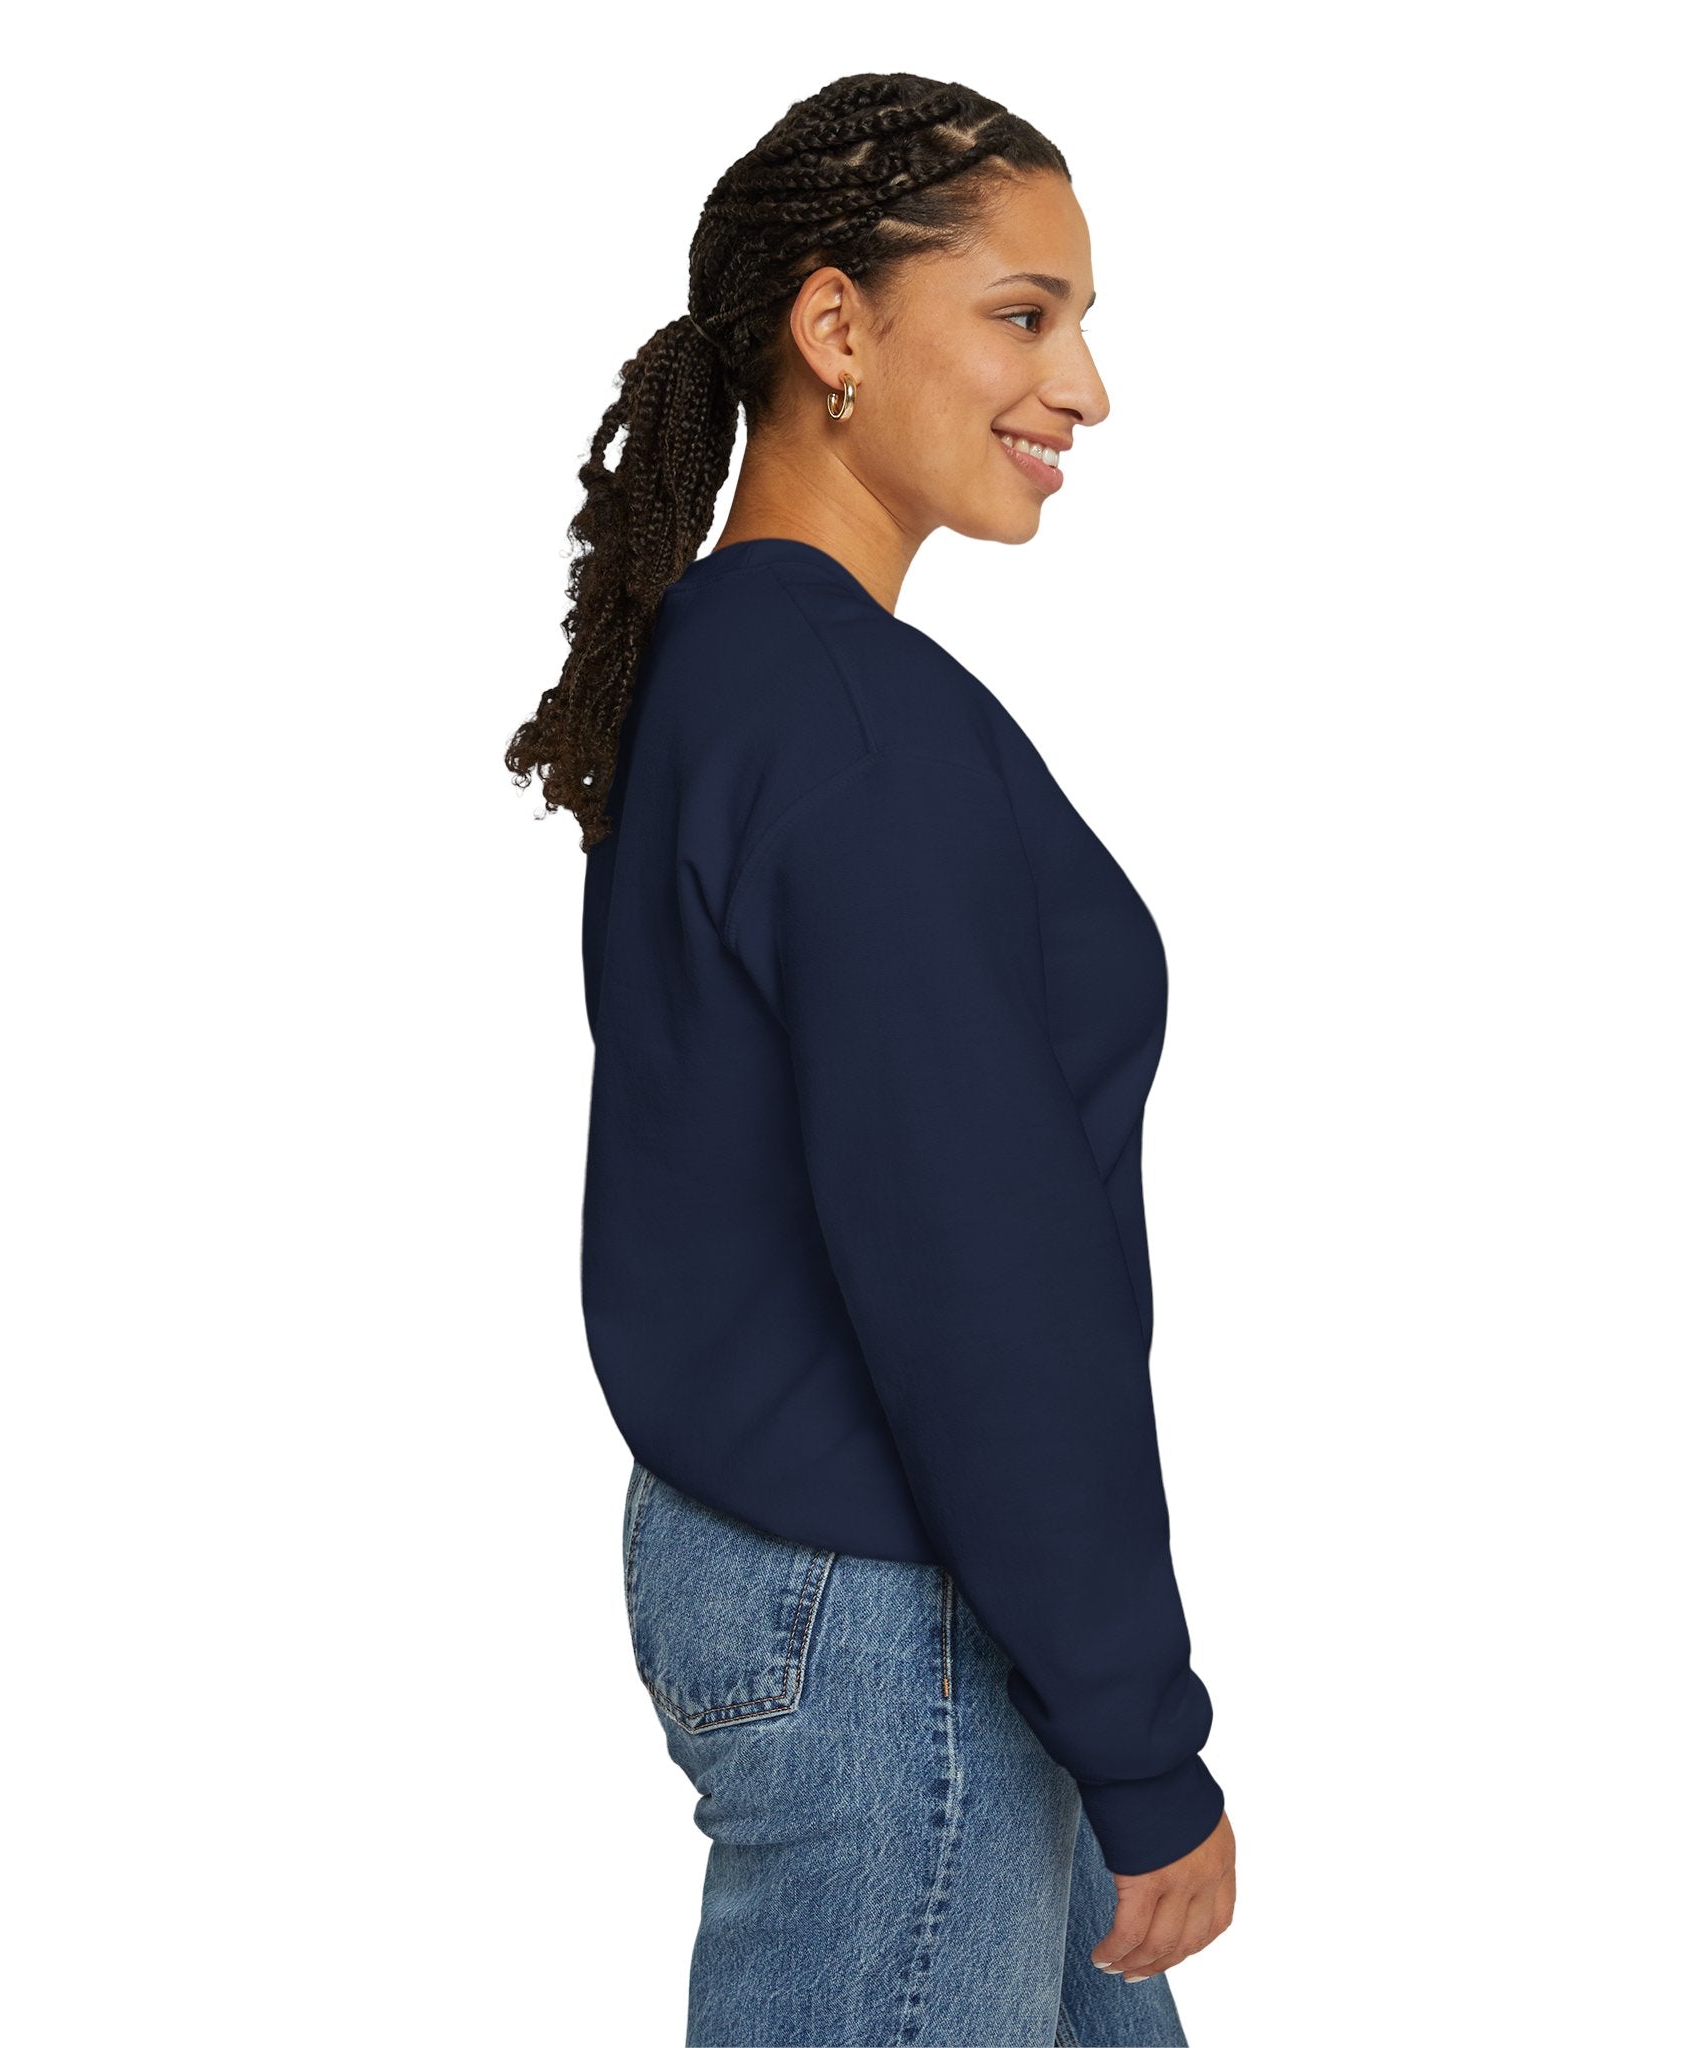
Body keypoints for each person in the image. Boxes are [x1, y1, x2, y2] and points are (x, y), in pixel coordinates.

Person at [507, 70, 1238, 2048]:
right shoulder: (844, 721)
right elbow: (974, 1272)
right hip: (894, 1601)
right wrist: (1146, 1741)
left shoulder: (747, 675)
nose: (1082, 387)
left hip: (881, 1580)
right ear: (835, 330)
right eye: (1023, 315)